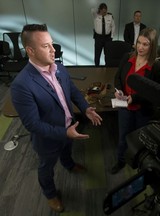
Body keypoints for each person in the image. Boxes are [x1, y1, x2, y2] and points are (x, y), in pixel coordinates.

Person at [10, 24, 103, 213]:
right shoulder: (21, 85)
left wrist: (85, 109)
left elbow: (74, 92)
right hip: (48, 139)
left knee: (67, 152)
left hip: (69, 127)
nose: (54, 50)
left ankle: (69, 165)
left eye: (52, 44)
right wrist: (64, 133)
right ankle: (50, 194)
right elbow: (32, 124)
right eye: (46, 46)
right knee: (46, 168)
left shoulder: (59, 67)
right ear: (30, 50)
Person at [112, 27, 160, 174]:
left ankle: (139, 164)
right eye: (138, 43)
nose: (140, 47)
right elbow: (118, 78)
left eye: (145, 44)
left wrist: (134, 98)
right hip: (125, 108)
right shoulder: (127, 57)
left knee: (140, 140)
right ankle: (120, 161)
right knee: (123, 138)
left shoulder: (157, 67)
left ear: (152, 46)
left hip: (143, 110)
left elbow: (156, 92)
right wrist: (119, 90)